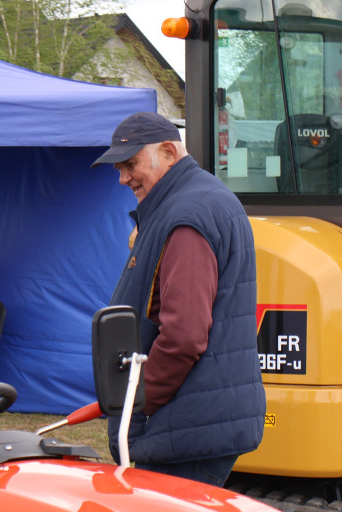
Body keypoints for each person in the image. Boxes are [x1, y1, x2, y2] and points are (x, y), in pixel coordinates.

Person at [92, 111, 265, 486]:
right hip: (197, 422)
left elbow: (184, 335)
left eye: (131, 164)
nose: (123, 178)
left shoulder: (187, 215)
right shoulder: (196, 202)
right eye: (119, 169)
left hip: (186, 429)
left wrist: (137, 405)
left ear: (168, 152)